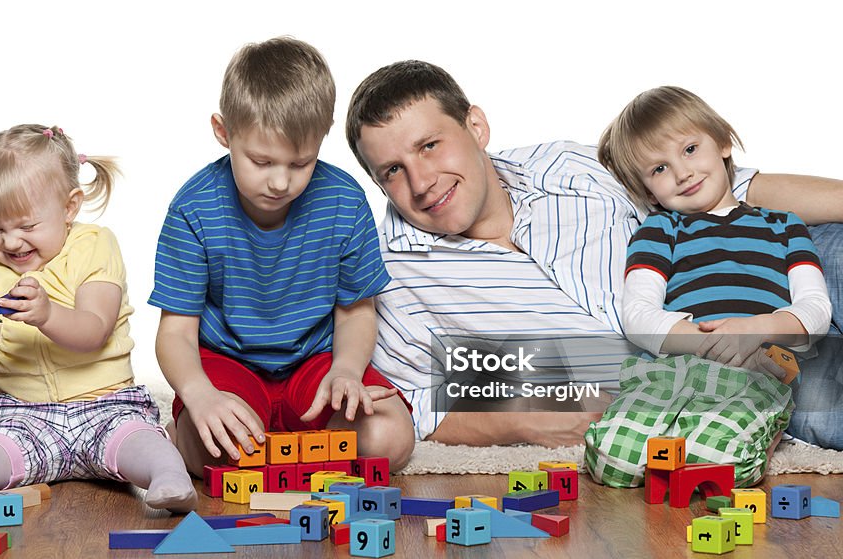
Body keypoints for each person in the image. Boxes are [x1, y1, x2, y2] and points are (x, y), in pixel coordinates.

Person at [345, 60, 843, 449]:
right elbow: (425, 411)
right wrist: (519, 419)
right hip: (698, 373)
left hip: (750, 274)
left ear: (475, 126)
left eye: (430, 145)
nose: (421, 181)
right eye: (392, 170)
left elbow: (728, 190)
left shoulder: (567, 166)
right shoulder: (391, 280)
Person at [151, 37, 415, 478]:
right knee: (207, 451)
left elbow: (356, 312)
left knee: (390, 438)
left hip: (317, 364)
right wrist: (200, 393)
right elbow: (176, 330)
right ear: (223, 132)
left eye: (300, 163)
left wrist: (347, 371)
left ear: (322, 136)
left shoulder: (344, 202)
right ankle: (288, 447)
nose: (279, 182)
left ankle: (295, 446)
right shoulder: (193, 208)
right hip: (227, 364)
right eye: (261, 160)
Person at [0, 124, 196, 516]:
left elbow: (95, 328)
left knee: (141, 441)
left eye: (27, 226)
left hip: (105, 405)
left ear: (69, 207)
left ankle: (169, 479)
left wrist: (47, 314)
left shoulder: (93, 245)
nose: (10, 242)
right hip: (23, 416)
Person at [583, 86, 831, 486]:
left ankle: (767, 428)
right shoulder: (660, 229)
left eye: (690, 149)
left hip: (754, 368)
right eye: (659, 169)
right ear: (649, 192)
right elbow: (639, 314)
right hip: (673, 366)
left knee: (718, 462)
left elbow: (815, 308)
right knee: (613, 459)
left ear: (723, 143)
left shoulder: (785, 225)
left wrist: (757, 330)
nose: (682, 172)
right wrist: (706, 343)